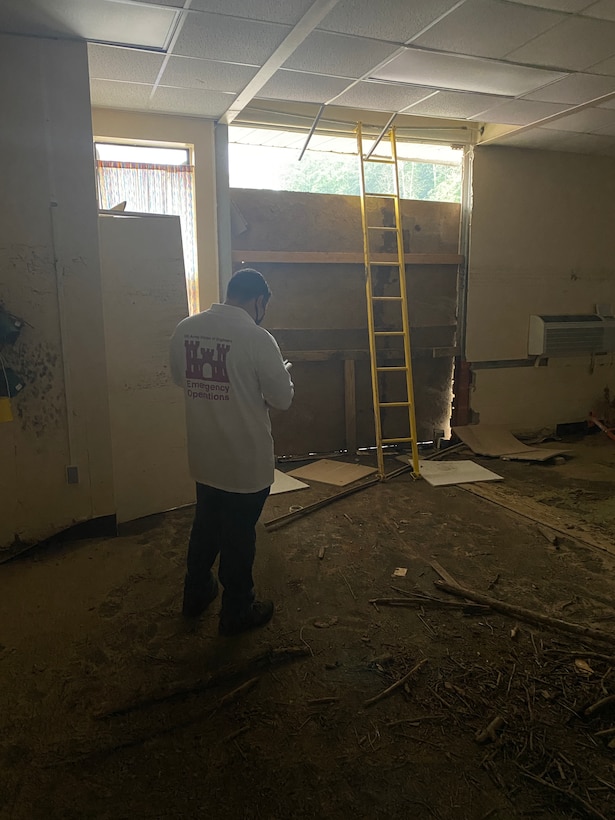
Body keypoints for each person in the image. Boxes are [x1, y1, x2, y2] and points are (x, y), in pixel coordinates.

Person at [169, 268, 294, 636]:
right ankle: (237, 610)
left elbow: (183, 379)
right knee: (239, 535)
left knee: (206, 525)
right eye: (264, 307)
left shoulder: (185, 329)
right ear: (259, 300)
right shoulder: (258, 338)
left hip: (205, 457)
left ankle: (195, 594)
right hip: (244, 462)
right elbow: (282, 399)